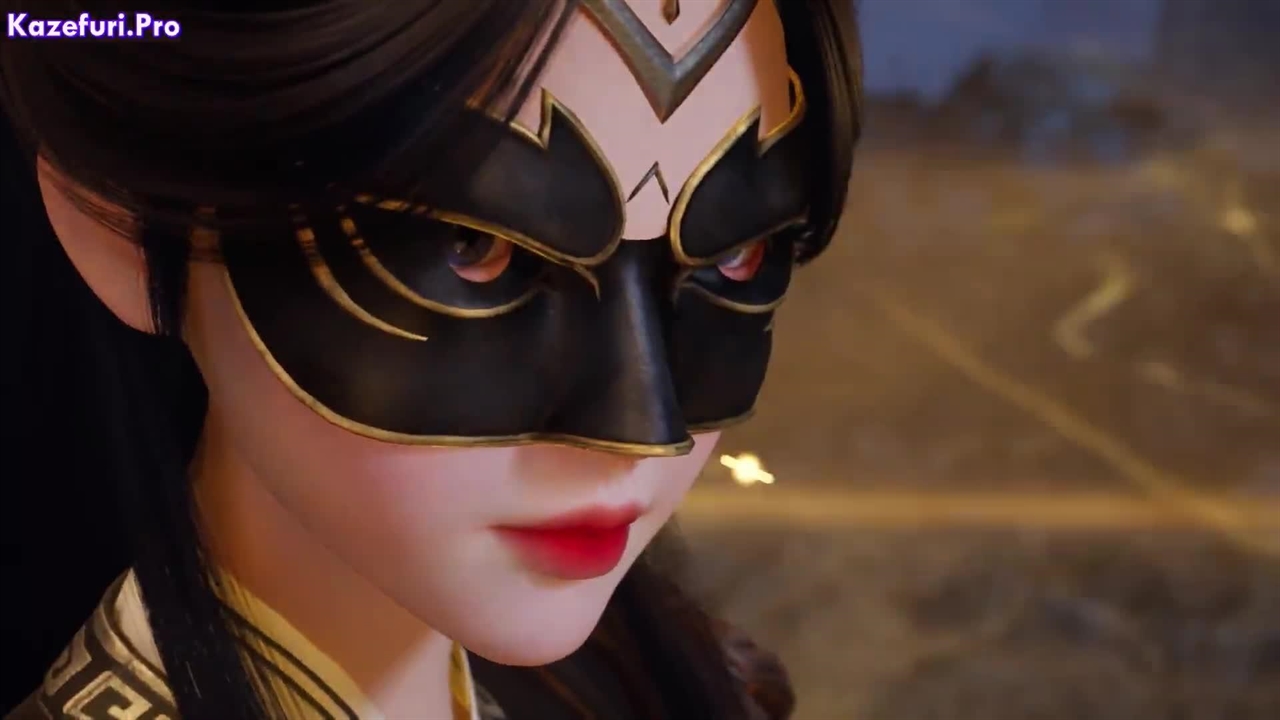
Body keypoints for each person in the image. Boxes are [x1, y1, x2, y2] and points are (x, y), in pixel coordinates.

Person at [0, 0, 861, 717]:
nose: (643, 434)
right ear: (121, 223)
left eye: (734, 255)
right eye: (474, 247)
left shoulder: (647, 675)